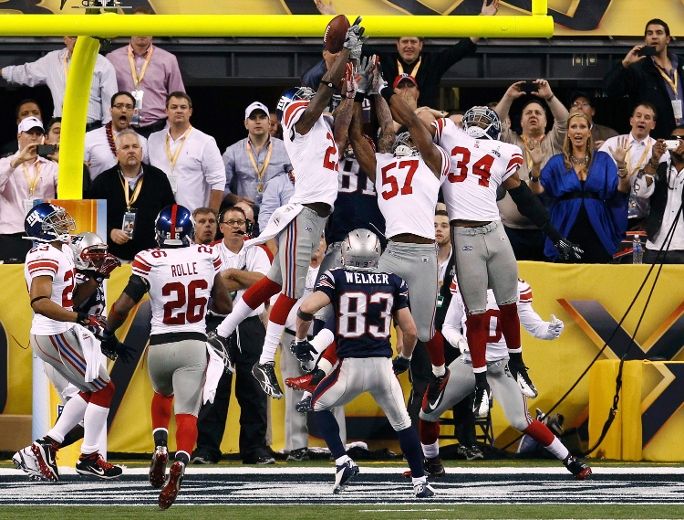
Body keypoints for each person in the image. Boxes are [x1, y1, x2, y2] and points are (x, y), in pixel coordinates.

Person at [208, 19, 365, 399]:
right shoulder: (299, 114)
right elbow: (312, 109)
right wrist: (343, 56)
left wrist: (353, 89)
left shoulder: (319, 127)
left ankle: (222, 332)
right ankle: (265, 361)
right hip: (303, 214)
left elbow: (341, 132)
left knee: (275, 283)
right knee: (291, 293)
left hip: (313, 213)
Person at [432, 105, 581, 418]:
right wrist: (442, 114)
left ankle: (517, 363)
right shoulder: (450, 135)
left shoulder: (501, 150)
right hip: (465, 234)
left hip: (494, 229)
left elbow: (524, 198)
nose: (474, 123)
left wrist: (555, 235)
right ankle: (480, 382)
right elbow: (417, 116)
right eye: (471, 118)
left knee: (508, 302)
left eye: (481, 119)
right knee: (476, 313)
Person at [103, 204, 232, 509]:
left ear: (160, 233)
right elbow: (225, 305)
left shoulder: (149, 259)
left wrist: (107, 333)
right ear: (189, 232)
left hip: (160, 343)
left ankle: (160, 445)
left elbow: (122, 307)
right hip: (193, 343)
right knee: (188, 413)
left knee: (162, 394)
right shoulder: (206, 255)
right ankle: (181, 464)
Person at [348, 57, 452, 426]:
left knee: (424, 329)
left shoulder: (433, 159)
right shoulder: (383, 164)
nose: (401, 136)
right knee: (365, 308)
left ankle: (439, 375)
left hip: (423, 250)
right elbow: (356, 137)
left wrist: (382, 90)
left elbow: (406, 120)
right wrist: (359, 93)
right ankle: (377, 362)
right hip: (392, 250)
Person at [294, 228, 434, 498]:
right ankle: (420, 482)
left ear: (346, 251)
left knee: (317, 403)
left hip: (351, 365)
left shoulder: (337, 277)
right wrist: (404, 358)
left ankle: (342, 460)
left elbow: (307, 308)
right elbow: (411, 331)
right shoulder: (394, 280)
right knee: (403, 423)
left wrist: (301, 341)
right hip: (382, 366)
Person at [417, 277, 592, 480]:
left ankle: (569, 459)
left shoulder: (514, 287)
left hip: (500, 365)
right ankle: (432, 464)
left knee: (521, 420)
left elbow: (535, 326)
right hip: (469, 362)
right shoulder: (465, 281)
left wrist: (549, 331)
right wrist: (460, 341)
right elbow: (449, 326)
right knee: (427, 413)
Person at [18, 203, 128, 482]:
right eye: (56, 220)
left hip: (61, 329)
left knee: (94, 390)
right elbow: (40, 303)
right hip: (53, 332)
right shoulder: (43, 255)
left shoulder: (62, 250)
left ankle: (46, 447)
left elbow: (72, 299)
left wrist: (97, 277)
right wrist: (80, 318)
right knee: (103, 389)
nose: (64, 223)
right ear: (41, 228)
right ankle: (86, 456)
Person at [192, 206, 274, 465]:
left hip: (250, 325)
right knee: (215, 387)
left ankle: (255, 449)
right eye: (231, 222)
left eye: (241, 222)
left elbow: (264, 281)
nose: (237, 226)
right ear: (221, 226)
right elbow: (209, 284)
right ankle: (206, 449)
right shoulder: (211, 251)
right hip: (219, 323)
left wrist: (230, 275)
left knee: (254, 389)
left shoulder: (258, 249)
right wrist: (240, 280)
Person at [529, 111, 630, 262]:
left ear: (589, 132)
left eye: (582, 126)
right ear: (568, 132)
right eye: (573, 127)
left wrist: (621, 165)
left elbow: (621, 191)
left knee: (598, 269)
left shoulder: (603, 159)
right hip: (564, 223)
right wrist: (536, 166)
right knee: (564, 269)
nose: (577, 130)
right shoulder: (557, 162)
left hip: (597, 224)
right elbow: (537, 190)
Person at [494, 79, 569, 260]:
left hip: (548, 229)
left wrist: (549, 97)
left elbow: (565, 121)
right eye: (528, 113)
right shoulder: (509, 141)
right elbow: (495, 123)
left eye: (538, 112)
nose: (533, 115)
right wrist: (508, 97)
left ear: (546, 120)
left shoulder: (554, 141)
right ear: (520, 120)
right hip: (511, 230)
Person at [88, 129, 175, 261]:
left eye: (135, 146)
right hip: (115, 257)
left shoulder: (158, 178)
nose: (131, 150)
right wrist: (110, 232)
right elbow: (91, 218)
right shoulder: (102, 181)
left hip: (152, 255)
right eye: (125, 147)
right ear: (117, 154)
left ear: (141, 151)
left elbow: (170, 213)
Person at [1, 36, 118, 129]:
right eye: (72, 37)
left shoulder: (103, 64)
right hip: (60, 129)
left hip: (91, 129)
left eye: (80, 37)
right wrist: (2, 72)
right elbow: (26, 73)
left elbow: (110, 103)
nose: (77, 41)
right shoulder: (52, 60)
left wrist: (108, 132)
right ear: (65, 39)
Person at [603, 18, 683, 139]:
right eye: (650, 33)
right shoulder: (638, 69)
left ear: (668, 39)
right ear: (645, 40)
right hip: (656, 139)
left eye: (659, 33)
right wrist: (624, 64)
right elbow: (611, 91)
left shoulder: (681, 64)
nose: (654, 37)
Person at [148, 91, 225, 213]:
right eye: (174, 107)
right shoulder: (153, 139)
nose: (178, 110)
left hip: (193, 216)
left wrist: (211, 218)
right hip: (160, 216)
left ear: (190, 111)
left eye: (183, 107)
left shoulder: (205, 141)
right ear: (166, 111)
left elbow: (218, 182)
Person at [105, 21, 185, 137]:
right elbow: (107, 96)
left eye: (146, 27)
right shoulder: (112, 58)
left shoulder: (168, 59)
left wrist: (169, 128)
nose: (142, 32)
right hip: (123, 127)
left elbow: (178, 97)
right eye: (138, 26)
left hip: (158, 128)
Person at [0, 116, 58, 263]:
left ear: (43, 138)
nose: (34, 137)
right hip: (13, 234)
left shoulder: (52, 166)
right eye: (29, 133)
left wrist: (63, 161)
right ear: (19, 135)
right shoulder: (6, 163)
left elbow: (69, 192)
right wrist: (18, 160)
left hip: (43, 235)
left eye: (38, 134)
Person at [599, 103, 658, 230]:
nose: (642, 120)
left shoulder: (658, 150)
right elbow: (597, 175)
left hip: (644, 218)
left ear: (653, 125)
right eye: (638, 116)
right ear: (631, 121)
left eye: (647, 117)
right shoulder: (612, 144)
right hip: (611, 214)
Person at [223, 101, 292, 207]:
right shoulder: (232, 151)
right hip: (245, 215)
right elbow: (220, 186)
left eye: (262, 117)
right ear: (246, 124)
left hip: (277, 211)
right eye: (253, 118)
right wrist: (236, 199)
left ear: (269, 123)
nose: (258, 121)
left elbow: (297, 180)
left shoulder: (286, 148)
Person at [634, 127, 684, 263]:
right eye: (674, 139)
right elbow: (640, 192)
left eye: (683, 140)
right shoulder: (658, 168)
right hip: (656, 245)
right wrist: (654, 159)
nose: (679, 143)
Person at [84, 91, 149, 181]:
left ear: (134, 112)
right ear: (110, 110)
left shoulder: (142, 142)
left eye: (128, 107)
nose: (123, 110)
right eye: (119, 106)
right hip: (99, 192)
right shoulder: (90, 138)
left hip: (132, 193)